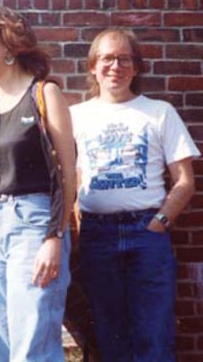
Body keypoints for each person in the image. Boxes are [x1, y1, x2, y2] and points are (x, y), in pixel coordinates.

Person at [71, 28, 199, 361]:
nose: (116, 66)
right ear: (92, 67)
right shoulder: (75, 117)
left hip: (147, 234)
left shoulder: (160, 112)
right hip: (97, 235)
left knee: (154, 334)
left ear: (136, 67)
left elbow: (185, 181)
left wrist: (159, 222)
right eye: (107, 58)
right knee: (109, 334)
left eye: (124, 58)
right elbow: (67, 176)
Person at [0, 5, 76, 361]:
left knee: (32, 343)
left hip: (35, 222)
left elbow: (68, 174)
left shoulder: (45, 95)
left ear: (8, 44)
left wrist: (55, 236)